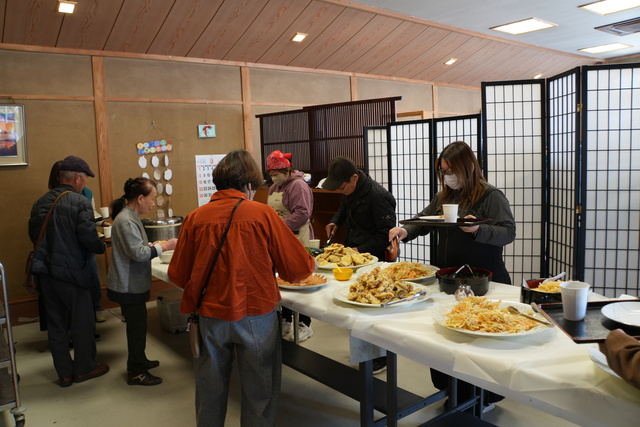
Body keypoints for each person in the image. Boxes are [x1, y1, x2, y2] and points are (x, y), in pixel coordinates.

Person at [168, 149, 316, 426]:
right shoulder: (263, 215)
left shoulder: (195, 218)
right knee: (260, 391)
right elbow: (297, 270)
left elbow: (177, 274)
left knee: (209, 388)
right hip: (257, 315)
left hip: (210, 315)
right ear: (248, 184)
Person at [388, 140, 516, 410]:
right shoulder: (444, 196)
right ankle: (454, 392)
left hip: (483, 280)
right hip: (448, 279)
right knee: (447, 340)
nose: (447, 176)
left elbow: (508, 232)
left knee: (477, 341)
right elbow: (423, 220)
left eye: (451, 170)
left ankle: (483, 398)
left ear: (468, 167)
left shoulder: (490, 195)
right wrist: (404, 231)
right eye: (443, 171)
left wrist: (478, 230)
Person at [28, 155, 109, 387]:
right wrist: (101, 246)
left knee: (56, 324)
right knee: (82, 322)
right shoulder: (80, 202)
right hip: (73, 274)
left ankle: (64, 373)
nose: (85, 183)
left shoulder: (40, 202)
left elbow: (34, 235)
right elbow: (88, 238)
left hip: (46, 273)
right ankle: (84, 368)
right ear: (77, 178)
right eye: (85, 178)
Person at [321, 156, 396, 374]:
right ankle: (365, 355)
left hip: (374, 262)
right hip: (356, 258)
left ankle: (380, 358)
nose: (341, 191)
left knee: (373, 312)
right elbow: (344, 209)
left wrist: (357, 250)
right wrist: (335, 221)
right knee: (358, 308)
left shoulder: (379, 196)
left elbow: (386, 236)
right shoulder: (351, 190)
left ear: (354, 178)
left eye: (342, 187)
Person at [107, 177, 177, 386]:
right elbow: (138, 254)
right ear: (140, 198)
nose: (153, 204)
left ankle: (140, 359)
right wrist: (164, 247)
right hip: (128, 285)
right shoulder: (126, 220)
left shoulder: (129, 216)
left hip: (131, 283)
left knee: (138, 326)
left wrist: (153, 245)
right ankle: (136, 371)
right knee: (136, 329)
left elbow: (136, 247)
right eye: (151, 199)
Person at [48, 160, 108, 323]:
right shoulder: (55, 198)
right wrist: (100, 247)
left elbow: (91, 216)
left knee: (92, 275)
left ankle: (96, 307)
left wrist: (103, 223)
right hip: (66, 249)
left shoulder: (87, 194)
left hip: (82, 245)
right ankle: (81, 320)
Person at [266, 150, 315, 342]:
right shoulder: (274, 188)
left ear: (287, 171)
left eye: (276, 174)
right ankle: (286, 319)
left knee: (301, 281)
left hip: (298, 238)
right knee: (284, 281)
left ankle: (304, 323)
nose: (273, 178)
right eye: (270, 174)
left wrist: (278, 227)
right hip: (281, 238)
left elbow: (302, 214)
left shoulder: (298, 186)